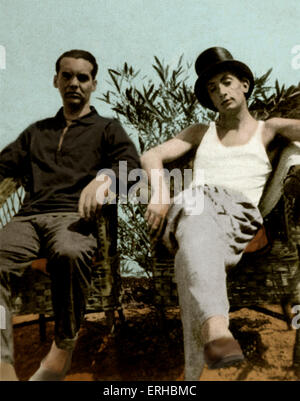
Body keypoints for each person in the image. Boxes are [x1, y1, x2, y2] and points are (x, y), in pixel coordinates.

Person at [141, 47, 300, 380]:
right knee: (195, 222)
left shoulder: (267, 129)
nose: (221, 92)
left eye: (226, 82)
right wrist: (159, 191)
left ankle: (195, 367)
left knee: (189, 251)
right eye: (212, 88)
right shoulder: (200, 132)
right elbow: (151, 155)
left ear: (244, 84)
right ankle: (215, 330)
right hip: (195, 205)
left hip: (239, 215)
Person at [0, 49, 140, 381]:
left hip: (73, 217)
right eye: (67, 76)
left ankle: (62, 348)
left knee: (70, 252)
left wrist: (104, 179)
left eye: (82, 77)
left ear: (93, 84)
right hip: (28, 219)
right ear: (55, 81)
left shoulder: (107, 128)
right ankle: (3, 362)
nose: (74, 83)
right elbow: (3, 166)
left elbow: (132, 169)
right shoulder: (38, 131)